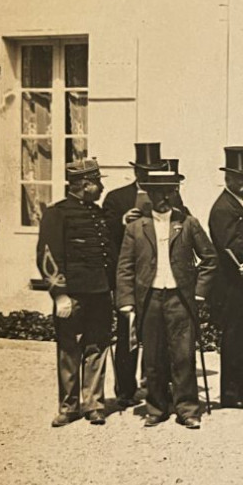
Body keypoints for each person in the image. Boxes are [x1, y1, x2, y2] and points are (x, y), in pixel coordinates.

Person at [116, 167, 217, 429]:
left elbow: (209, 258)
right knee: (153, 356)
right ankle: (156, 407)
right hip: (149, 299)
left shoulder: (187, 223)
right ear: (149, 194)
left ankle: (187, 409)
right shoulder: (136, 227)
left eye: (169, 191)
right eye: (158, 192)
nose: (164, 197)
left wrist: (199, 293)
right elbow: (125, 266)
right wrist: (126, 300)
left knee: (183, 355)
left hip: (180, 299)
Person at [36, 158, 115, 427]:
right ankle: (68, 406)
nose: (102, 187)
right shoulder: (57, 214)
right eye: (98, 183)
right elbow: (48, 257)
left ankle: (94, 403)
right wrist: (59, 294)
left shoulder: (98, 214)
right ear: (85, 185)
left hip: (100, 292)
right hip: (73, 295)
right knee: (69, 349)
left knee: (98, 346)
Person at [101, 141, 164, 408]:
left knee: (155, 333)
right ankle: (125, 389)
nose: (148, 175)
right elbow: (103, 236)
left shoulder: (167, 195)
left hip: (158, 274)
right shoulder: (116, 198)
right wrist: (121, 222)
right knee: (128, 333)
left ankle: (152, 385)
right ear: (136, 171)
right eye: (144, 170)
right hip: (128, 275)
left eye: (153, 170)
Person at [207, 145, 243, 411]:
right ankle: (234, 393)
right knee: (237, 339)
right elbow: (232, 246)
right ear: (228, 178)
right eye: (240, 178)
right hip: (234, 285)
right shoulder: (222, 208)